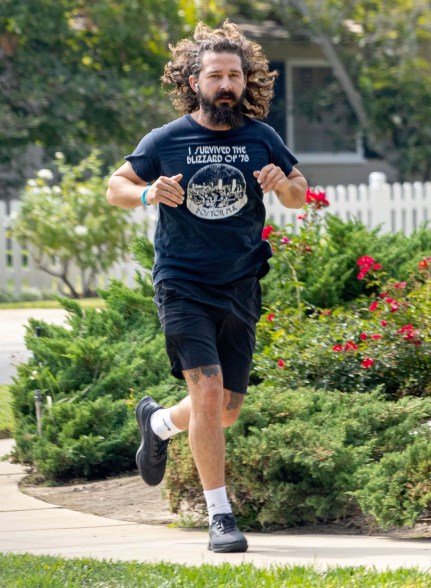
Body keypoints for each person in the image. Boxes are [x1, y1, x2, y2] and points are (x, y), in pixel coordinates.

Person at [106, 20, 307, 553]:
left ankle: (159, 424)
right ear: (194, 81)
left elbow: (298, 195)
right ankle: (220, 517)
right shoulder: (167, 139)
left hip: (240, 283)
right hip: (183, 282)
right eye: (214, 74)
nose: (225, 84)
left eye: (234, 76)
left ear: (246, 83)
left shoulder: (261, 137)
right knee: (209, 392)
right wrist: (150, 194)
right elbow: (115, 187)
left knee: (226, 409)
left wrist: (283, 183)